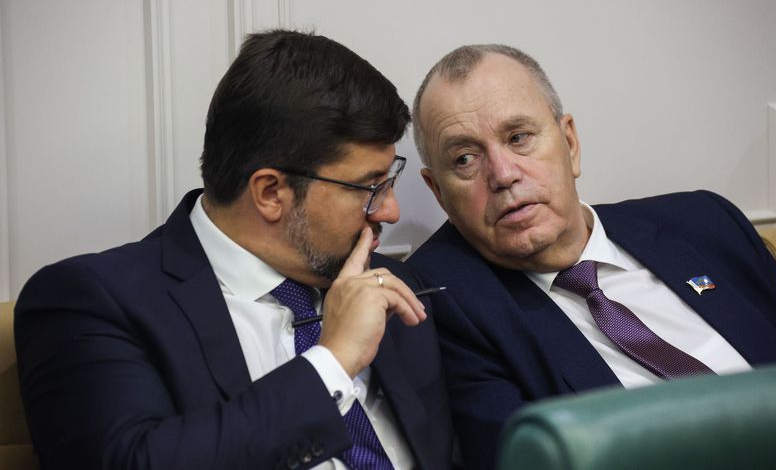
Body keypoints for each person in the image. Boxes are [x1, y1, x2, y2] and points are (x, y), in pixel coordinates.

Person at [15, 30, 453, 469]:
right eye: (369, 188)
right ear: (270, 193)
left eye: (388, 182)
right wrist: (333, 362)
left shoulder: (391, 288)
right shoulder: (90, 302)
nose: (391, 211)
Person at [407, 43, 776, 470]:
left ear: (570, 142)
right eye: (465, 159)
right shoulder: (443, 304)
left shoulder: (706, 222)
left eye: (518, 138)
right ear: (438, 192)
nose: (503, 175)